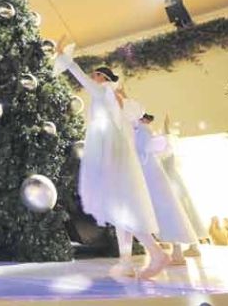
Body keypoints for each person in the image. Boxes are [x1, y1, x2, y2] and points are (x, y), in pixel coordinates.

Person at [54, 37, 168, 279]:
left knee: (122, 208)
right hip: (117, 155)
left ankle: (155, 252)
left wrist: (66, 58)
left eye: (96, 74)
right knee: (119, 211)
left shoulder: (103, 92)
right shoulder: (115, 99)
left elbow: (79, 77)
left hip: (111, 155)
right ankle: (126, 262)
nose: (93, 77)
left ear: (103, 79)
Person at [131, 112, 198, 265]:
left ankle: (171, 252)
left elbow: (145, 150)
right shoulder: (140, 131)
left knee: (163, 211)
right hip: (149, 176)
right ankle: (171, 252)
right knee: (163, 211)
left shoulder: (141, 131)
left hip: (149, 176)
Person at [157, 115, 208, 257]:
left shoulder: (163, 152)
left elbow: (166, 138)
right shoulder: (169, 151)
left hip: (170, 183)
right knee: (186, 212)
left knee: (174, 214)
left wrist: (166, 128)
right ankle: (192, 245)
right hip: (176, 182)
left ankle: (178, 248)